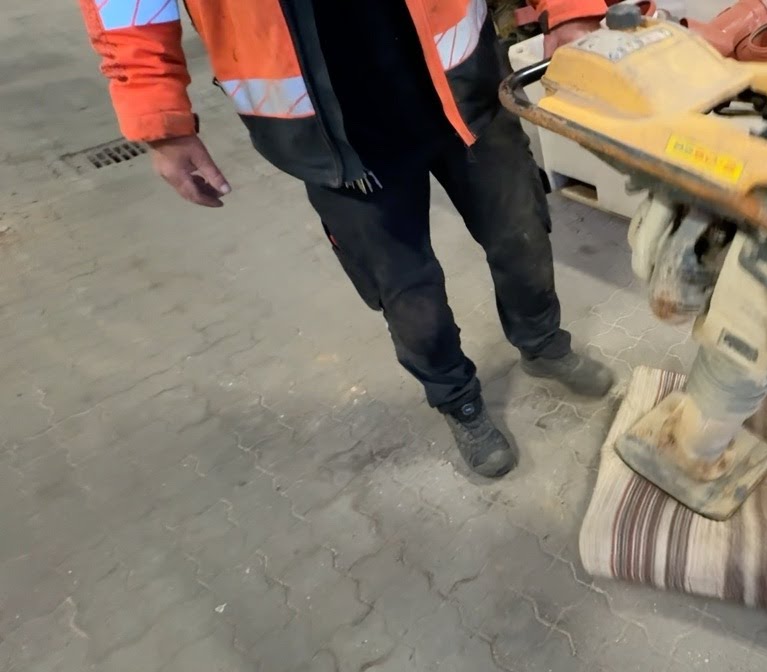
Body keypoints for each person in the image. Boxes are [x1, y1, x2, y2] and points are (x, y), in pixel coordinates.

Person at [78, 0, 615, 477]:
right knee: (408, 294)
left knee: (521, 233)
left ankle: (543, 343)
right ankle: (458, 400)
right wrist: (158, 118)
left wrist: (570, 8)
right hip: (334, 136)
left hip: (461, 84)